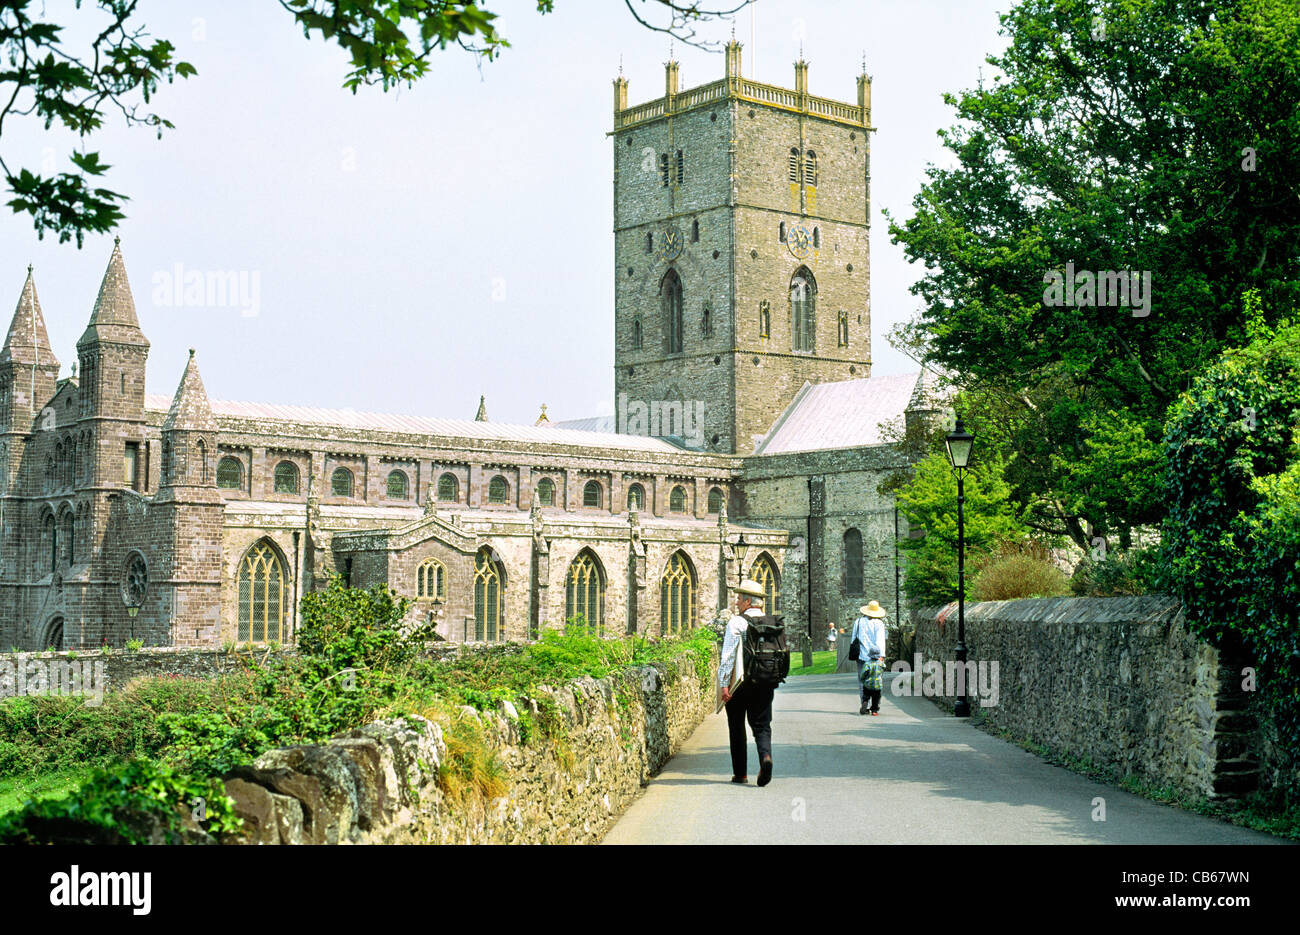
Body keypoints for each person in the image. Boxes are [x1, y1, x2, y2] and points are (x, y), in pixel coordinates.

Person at [719, 579, 775, 786]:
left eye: (739, 599)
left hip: (740, 683)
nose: (736, 603)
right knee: (762, 725)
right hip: (765, 680)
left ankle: (740, 774)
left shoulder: (737, 622)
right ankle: (765, 757)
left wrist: (724, 684)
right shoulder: (772, 622)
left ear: (748, 601)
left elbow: (728, 656)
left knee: (736, 725)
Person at [851, 600, 888, 716]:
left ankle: (864, 702)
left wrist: (856, 654)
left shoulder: (858, 621)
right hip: (876, 657)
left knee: (862, 680)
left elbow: (854, 638)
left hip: (861, 656)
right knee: (877, 681)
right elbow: (880, 641)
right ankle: (875, 706)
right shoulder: (879, 624)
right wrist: (881, 656)